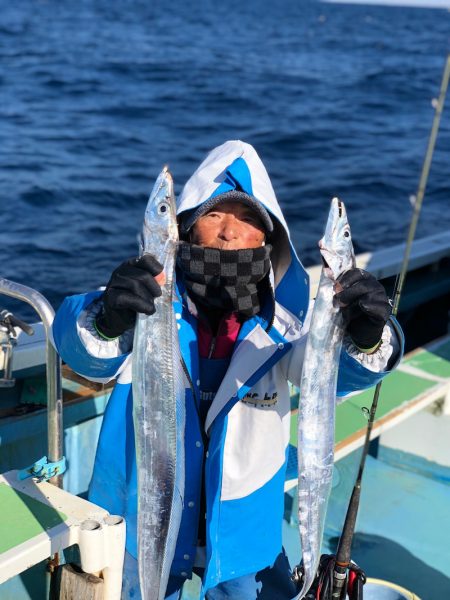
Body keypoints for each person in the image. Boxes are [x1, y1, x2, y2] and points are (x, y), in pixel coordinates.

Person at [53, 140, 403, 600]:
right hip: (138, 514)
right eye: (214, 215)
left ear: (268, 237)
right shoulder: (141, 302)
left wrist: (366, 337)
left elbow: (340, 372)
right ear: (186, 227)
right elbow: (81, 347)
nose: (229, 232)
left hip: (243, 529)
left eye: (248, 218)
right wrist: (106, 318)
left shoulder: (289, 326)